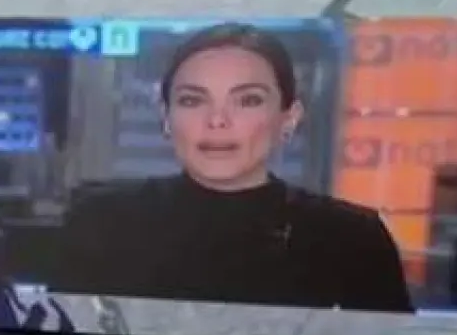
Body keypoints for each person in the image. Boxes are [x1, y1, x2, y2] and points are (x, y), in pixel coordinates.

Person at [58, 22, 413, 313]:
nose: (217, 121)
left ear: (289, 118)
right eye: (192, 100)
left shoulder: (352, 238)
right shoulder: (101, 220)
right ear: (166, 117)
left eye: (248, 100)